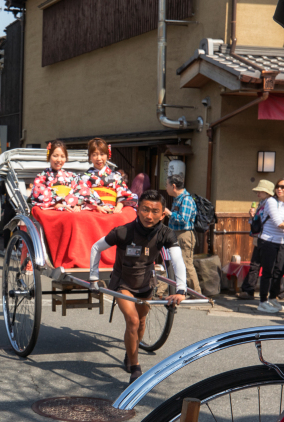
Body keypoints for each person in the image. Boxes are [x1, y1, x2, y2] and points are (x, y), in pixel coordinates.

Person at [89, 190, 186, 382]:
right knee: (132, 321)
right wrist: (93, 277)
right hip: (123, 282)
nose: (149, 216)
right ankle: (135, 368)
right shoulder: (124, 231)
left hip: (145, 282)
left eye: (155, 211)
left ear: (163, 213)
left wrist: (181, 290)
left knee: (141, 322)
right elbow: (96, 248)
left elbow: (177, 260)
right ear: (137, 209)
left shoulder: (165, 234)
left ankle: (130, 353)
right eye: (145, 210)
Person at [255, 178, 284, 313]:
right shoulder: (271, 201)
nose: (279, 189)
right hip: (267, 240)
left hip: (280, 241)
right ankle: (263, 301)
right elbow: (278, 222)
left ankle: (273, 298)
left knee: (279, 271)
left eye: (283, 187)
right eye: (278, 186)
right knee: (267, 272)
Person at [30, 140, 101, 211]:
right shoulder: (42, 176)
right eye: (55, 156)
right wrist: (56, 204)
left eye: (62, 156)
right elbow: (38, 192)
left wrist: (78, 205)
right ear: (49, 156)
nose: (59, 160)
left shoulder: (72, 176)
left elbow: (83, 190)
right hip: (52, 209)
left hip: (71, 208)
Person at [165, 174, 201, 295]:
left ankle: (197, 294)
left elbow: (183, 219)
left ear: (173, 186)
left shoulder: (186, 199)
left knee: (186, 264)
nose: (166, 187)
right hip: (176, 234)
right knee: (172, 263)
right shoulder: (178, 198)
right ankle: (165, 291)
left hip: (184, 235)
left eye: (167, 185)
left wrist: (169, 213)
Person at [239, 180, 275, 300]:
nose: (258, 193)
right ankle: (248, 289)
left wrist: (254, 217)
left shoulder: (270, 204)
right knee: (256, 264)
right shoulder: (262, 203)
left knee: (264, 265)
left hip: (268, 238)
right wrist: (252, 216)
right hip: (260, 237)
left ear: (267, 192)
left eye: (260, 191)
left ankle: (273, 292)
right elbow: (257, 223)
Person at [79, 138, 135, 212]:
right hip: (93, 210)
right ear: (90, 157)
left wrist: (118, 207)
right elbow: (81, 196)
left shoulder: (116, 176)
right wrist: (96, 207)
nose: (99, 158)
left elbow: (123, 193)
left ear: (107, 155)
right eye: (94, 155)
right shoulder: (84, 177)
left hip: (113, 210)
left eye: (102, 154)